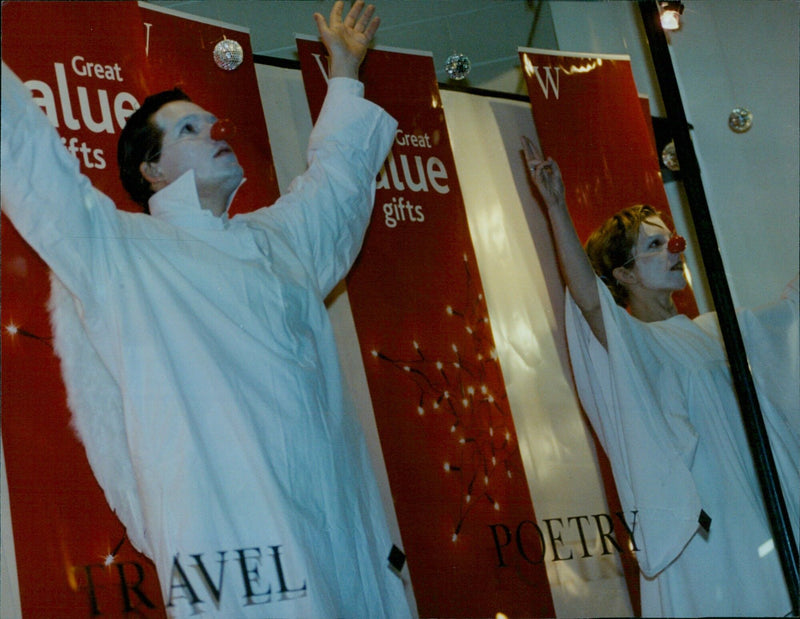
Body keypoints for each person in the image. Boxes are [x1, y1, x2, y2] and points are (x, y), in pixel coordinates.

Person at [1, 2, 413, 617]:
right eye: (187, 130)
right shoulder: (122, 254)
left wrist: (346, 69)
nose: (214, 130)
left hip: (343, 539)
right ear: (150, 168)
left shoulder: (280, 238)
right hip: (239, 560)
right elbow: (33, 165)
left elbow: (340, 183)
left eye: (210, 121)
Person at [524, 140, 799, 617]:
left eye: (672, 239)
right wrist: (556, 209)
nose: (676, 248)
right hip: (711, 534)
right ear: (624, 276)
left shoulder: (716, 329)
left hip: (764, 512)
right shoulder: (634, 345)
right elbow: (590, 301)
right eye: (654, 245)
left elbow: (790, 317)